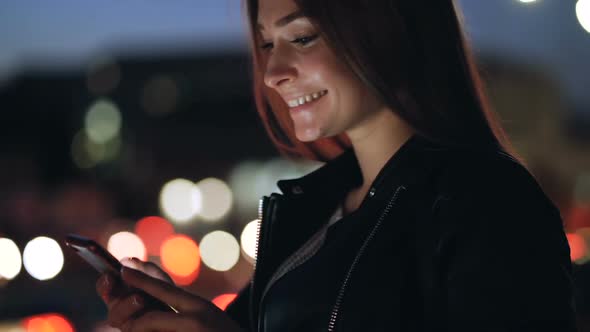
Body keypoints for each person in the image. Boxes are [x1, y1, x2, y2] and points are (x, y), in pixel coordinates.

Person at [95, 0, 578, 330]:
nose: (273, 72)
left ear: (389, 28)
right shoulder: (310, 214)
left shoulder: (486, 202)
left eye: (301, 38)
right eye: (265, 44)